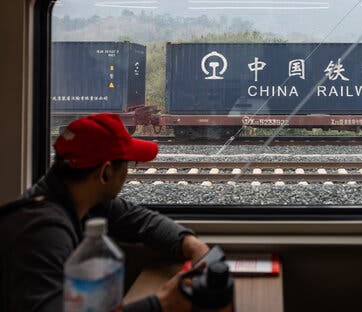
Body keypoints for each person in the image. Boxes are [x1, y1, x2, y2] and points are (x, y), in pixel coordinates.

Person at [0, 113, 211, 312]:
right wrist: (161, 304)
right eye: (128, 164)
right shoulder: (42, 232)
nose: (128, 172)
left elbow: (140, 220)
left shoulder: (82, 200)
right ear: (106, 172)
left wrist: (192, 245)